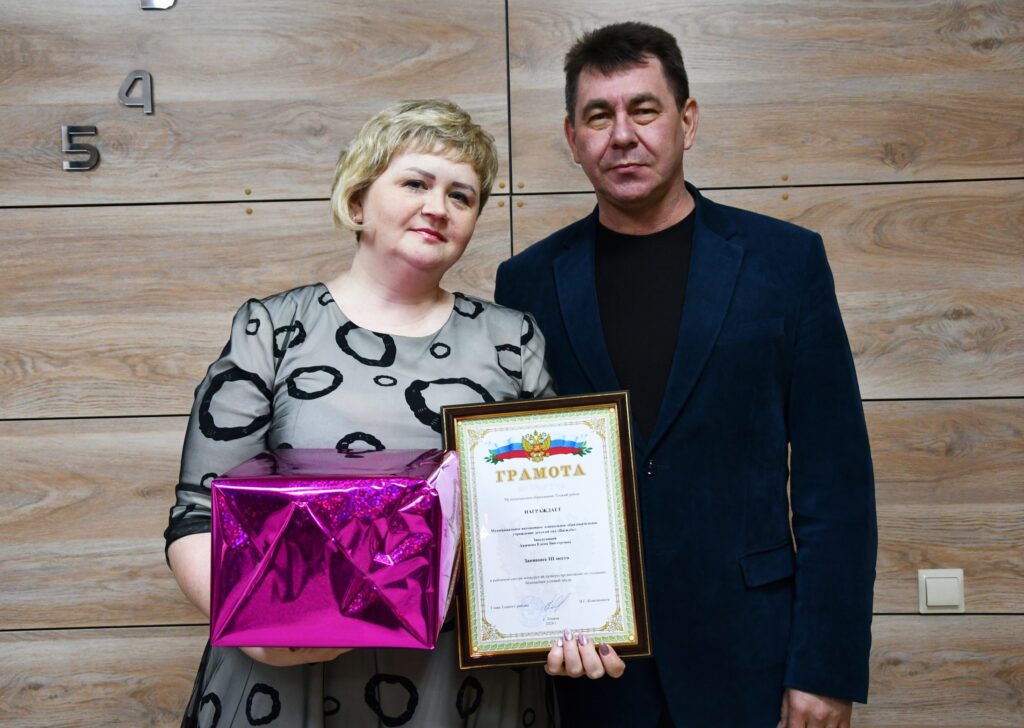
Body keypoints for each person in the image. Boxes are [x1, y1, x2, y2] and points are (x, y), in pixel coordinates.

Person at [495, 22, 877, 728]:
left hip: (754, 659)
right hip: (592, 669)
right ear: (573, 138)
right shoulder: (527, 282)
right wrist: (533, 615)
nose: (622, 135)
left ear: (687, 121)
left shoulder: (784, 262)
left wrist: (825, 668)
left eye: (644, 109)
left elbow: (837, 482)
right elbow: (519, 485)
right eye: (598, 116)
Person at [165, 99, 557, 727]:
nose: (438, 207)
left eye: (461, 196)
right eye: (415, 184)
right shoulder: (274, 329)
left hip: (458, 681)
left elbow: (549, 513)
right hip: (290, 676)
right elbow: (197, 517)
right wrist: (260, 633)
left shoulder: (512, 340)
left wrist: (575, 616)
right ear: (356, 202)